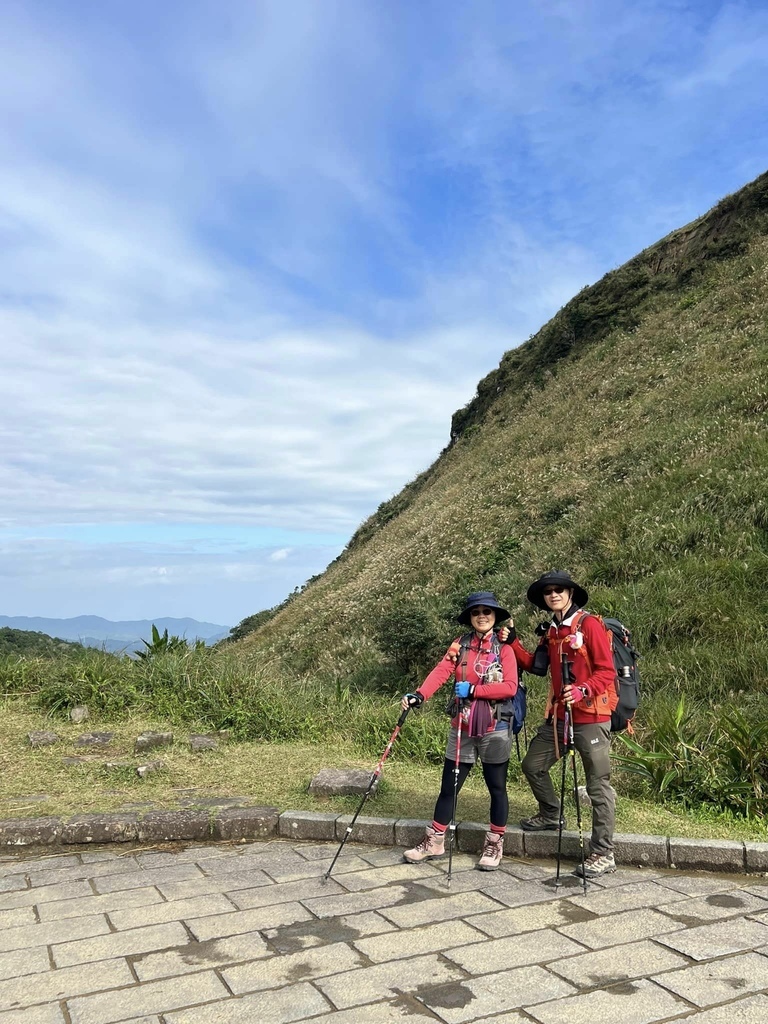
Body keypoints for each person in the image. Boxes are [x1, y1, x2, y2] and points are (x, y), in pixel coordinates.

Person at [505, 570, 618, 878]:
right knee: (532, 765)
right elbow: (536, 667)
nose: (553, 594)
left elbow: (607, 671)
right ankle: (551, 814)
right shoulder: (551, 632)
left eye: (559, 590)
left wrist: (583, 689)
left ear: (570, 593)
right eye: (548, 591)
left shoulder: (589, 625)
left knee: (597, 785)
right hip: (559, 718)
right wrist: (513, 643)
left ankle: (603, 852)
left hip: (591, 718)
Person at [400, 591, 518, 871]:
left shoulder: (506, 649)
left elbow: (510, 686)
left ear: (494, 617)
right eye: (476, 612)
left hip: (495, 726)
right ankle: (435, 841)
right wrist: (420, 694)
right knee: (448, 788)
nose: (481, 616)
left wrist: (475, 690)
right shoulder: (460, 645)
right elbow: (442, 671)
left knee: (497, 787)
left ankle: (494, 843)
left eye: (487, 612)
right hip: (462, 726)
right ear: (470, 617)